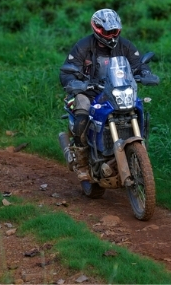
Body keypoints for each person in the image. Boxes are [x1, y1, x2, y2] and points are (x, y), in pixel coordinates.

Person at [59, 9, 157, 180]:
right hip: (89, 92)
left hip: (117, 92)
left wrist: (146, 73)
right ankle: (82, 163)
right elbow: (67, 70)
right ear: (96, 29)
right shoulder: (83, 46)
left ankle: (137, 154)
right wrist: (74, 82)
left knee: (138, 106)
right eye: (107, 32)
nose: (111, 35)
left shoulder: (125, 45)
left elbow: (138, 65)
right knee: (82, 111)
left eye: (114, 31)